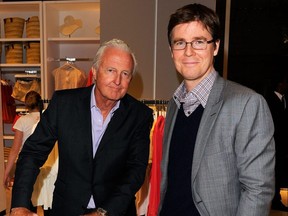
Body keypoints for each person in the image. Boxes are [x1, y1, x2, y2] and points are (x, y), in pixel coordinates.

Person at [10, 38, 154, 216]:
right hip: (66, 209)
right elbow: (33, 152)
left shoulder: (140, 115)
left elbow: (135, 171)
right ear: (94, 71)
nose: (117, 80)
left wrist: (103, 212)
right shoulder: (64, 104)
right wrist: (19, 204)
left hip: (114, 211)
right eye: (111, 70)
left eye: (125, 74)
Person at [158, 4, 275, 216]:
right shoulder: (175, 103)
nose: (188, 51)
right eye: (180, 43)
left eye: (199, 42)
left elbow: (258, 190)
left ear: (216, 47)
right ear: (171, 51)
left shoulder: (247, 103)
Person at [3, 90, 43, 213]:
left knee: (23, 203)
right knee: (42, 202)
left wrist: (6, 173)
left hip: (26, 166)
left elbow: (15, 150)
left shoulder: (22, 121)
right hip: (44, 165)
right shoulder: (46, 118)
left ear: (26, 104)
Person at [265, 73, 288, 212]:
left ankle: (276, 198)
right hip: (274, 144)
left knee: (279, 172)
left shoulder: (284, 100)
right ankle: (274, 200)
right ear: (280, 84)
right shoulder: (270, 101)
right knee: (274, 173)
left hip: (282, 145)